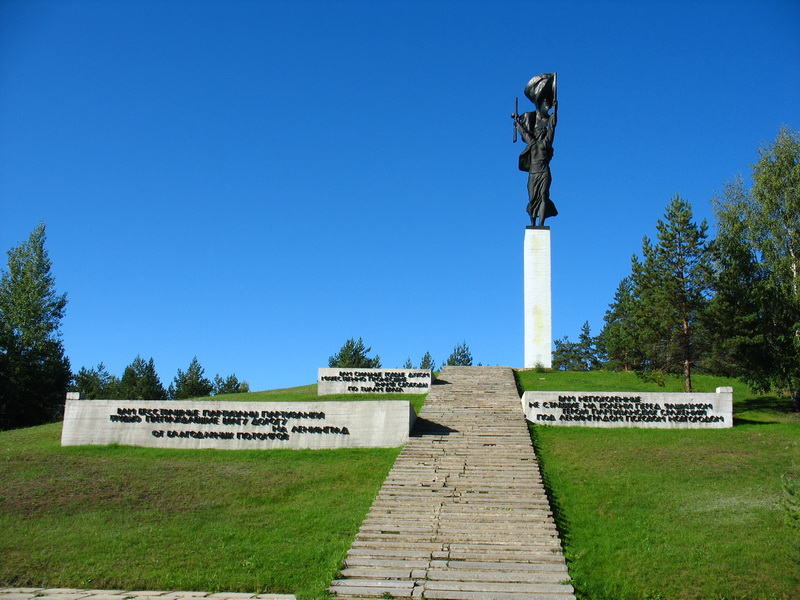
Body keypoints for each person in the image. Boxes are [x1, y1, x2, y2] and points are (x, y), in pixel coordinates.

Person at [515, 74, 558, 226]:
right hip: (533, 173)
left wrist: (556, 111)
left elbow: (552, 127)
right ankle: (532, 222)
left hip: (544, 172)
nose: (542, 131)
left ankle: (541, 224)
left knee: (544, 196)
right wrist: (516, 123)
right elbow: (525, 133)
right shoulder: (532, 143)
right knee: (533, 198)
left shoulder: (546, 142)